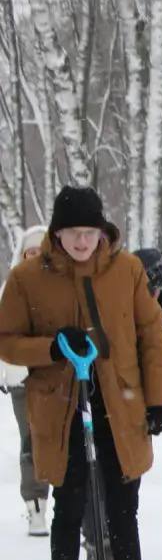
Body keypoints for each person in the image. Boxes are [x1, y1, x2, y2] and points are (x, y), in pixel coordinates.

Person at [0, 185, 162, 560]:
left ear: (102, 231)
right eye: (72, 233)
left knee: (125, 507)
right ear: (56, 233)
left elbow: (151, 336)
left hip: (118, 404)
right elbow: (5, 339)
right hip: (62, 406)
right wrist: (50, 346)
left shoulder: (125, 270)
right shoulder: (28, 278)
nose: (82, 242)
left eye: (89, 232)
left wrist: (159, 401)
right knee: (69, 508)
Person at [82, 248, 162, 560]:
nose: (156, 298)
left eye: (159, 294)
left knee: (126, 487)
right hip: (98, 403)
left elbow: (153, 355)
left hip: (130, 408)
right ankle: (99, 545)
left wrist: (156, 403)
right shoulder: (113, 302)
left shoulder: (149, 310)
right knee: (94, 478)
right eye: (152, 290)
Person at [2, 226, 50, 536]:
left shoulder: (60, 287)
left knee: (58, 441)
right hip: (22, 378)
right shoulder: (10, 289)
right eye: (28, 252)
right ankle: (35, 506)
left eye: (38, 252)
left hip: (58, 377)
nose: (33, 257)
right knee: (32, 440)